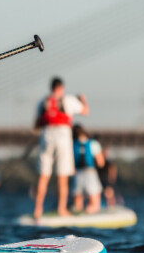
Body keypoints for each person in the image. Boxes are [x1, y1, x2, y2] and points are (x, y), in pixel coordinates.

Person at [33, 77, 89, 218]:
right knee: (62, 177)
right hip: (62, 136)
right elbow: (85, 111)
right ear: (61, 88)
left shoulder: (43, 102)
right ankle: (61, 209)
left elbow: (36, 125)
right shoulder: (68, 100)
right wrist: (82, 100)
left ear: (51, 88)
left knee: (43, 176)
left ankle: (38, 209)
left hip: (46, 135)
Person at [71, 125, 104, 214]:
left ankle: (78, 213)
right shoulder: (93, 143)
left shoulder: (72, 144)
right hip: (90, 173)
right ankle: (90, 211)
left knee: (77, 202)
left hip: (77, 174)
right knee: (95, 203)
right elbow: (101, 163)